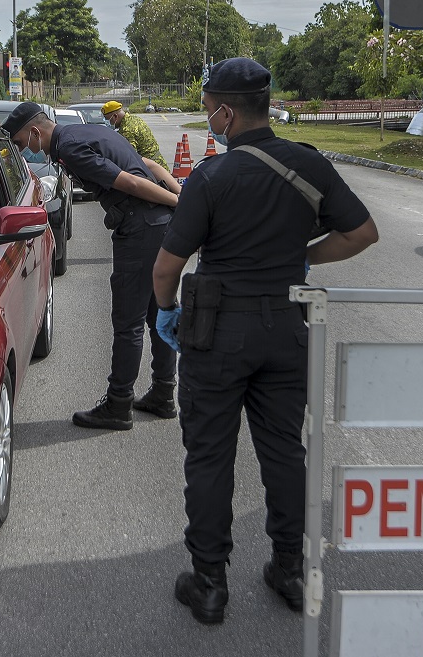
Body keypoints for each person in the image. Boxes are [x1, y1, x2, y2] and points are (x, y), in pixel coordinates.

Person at [152, 57, 379, 624]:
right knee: (284, 450)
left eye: (208, 109)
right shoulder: (309, 164)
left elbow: (166, 267)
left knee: (209, 454)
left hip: (217, 331)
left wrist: (166, 312)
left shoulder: (211, 176)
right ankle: (290, 568)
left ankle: (208, 582)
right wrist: (304, 256)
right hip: (287, 324)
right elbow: (361, 232)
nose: (208, 119)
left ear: (227, 110)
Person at [0, 101, 182, 430]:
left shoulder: (69, 148)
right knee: (159, 314)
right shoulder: (89, 131)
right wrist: (178, 193)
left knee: (129, 322)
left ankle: (119, 404)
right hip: (160, 228)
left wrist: (182, 202)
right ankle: (164, 393)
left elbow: (133, 182)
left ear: (35, 132)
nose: (26, 151)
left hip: (140, 228)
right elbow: (148, 164)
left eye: (23, 143)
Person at [101, 101, 169, 171]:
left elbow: (130, 158)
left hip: (152, 170)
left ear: (115, 116)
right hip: (159, 164)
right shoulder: (134, 119)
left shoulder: (127, 130)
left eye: (107, 119)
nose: (107, 122)